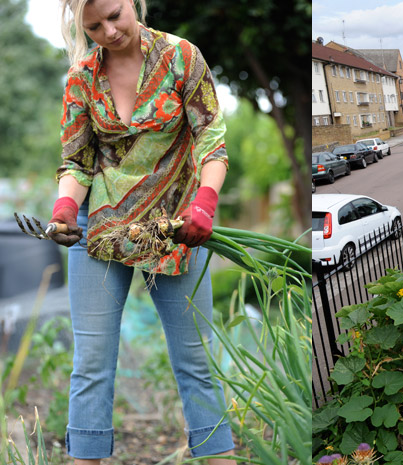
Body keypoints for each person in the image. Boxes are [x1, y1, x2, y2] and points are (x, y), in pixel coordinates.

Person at [50, 0, 235, 463]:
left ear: (133, 3)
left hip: (176, 228)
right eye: (94, 27)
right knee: (91, 365)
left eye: (115, 15)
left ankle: (219, 456)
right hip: (102, 230)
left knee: (197, 363)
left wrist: (204, 204)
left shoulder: (182, 57)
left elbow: (212, 141)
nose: (109, 31)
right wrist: (66, 207)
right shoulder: (81, 79)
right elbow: (76, 161)